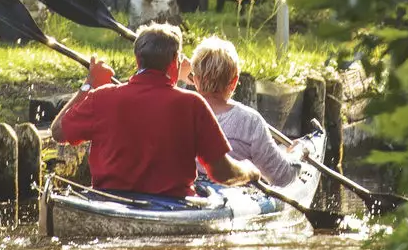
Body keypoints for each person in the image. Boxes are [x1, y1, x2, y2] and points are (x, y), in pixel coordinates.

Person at [51, 21, 260, 199]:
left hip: (108, 201)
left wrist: (89, 84)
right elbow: (222, 173)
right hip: (172, 207)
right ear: (175, 62)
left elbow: (58, 132)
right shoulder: (192, 104)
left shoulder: (101, 96)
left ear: (137, 60)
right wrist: (249, 171)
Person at [187, 35, 325, 189]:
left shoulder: (177, 112)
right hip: (233, 194)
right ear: (234, 82)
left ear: (196, 80)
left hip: (187, 193)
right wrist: (298, 153)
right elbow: (281, 176)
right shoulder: (249, 121)